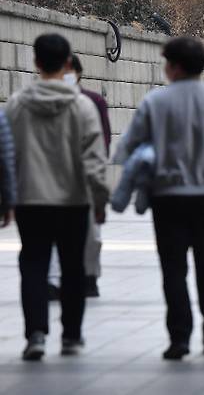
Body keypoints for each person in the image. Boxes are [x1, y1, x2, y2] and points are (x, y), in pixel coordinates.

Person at [115, 37, 204, 360]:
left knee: (173, 269)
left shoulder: (155, 103)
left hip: (168, 196)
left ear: (174, 67)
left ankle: (179, 338)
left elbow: (126, 147)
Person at [6, 33, 109, 361]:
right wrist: (99, 202)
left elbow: (5, 156)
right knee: (73, 267)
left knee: (33, 265)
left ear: (36, 62)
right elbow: (95, 162)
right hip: (73, 201)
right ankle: (71, 335)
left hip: (30, 199)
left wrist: (5, 198)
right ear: (68, 63)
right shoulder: (83, 107)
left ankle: (36, 334)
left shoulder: (16, 105)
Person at [48, 54, 113, 299]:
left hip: (85, 175)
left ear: (77, 72)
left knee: (91, 234)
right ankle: (54, 280)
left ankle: (90, 275)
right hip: (51, 176)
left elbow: (103, 139)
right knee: (53, 230)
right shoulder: (42, 100)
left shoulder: (93, 101)